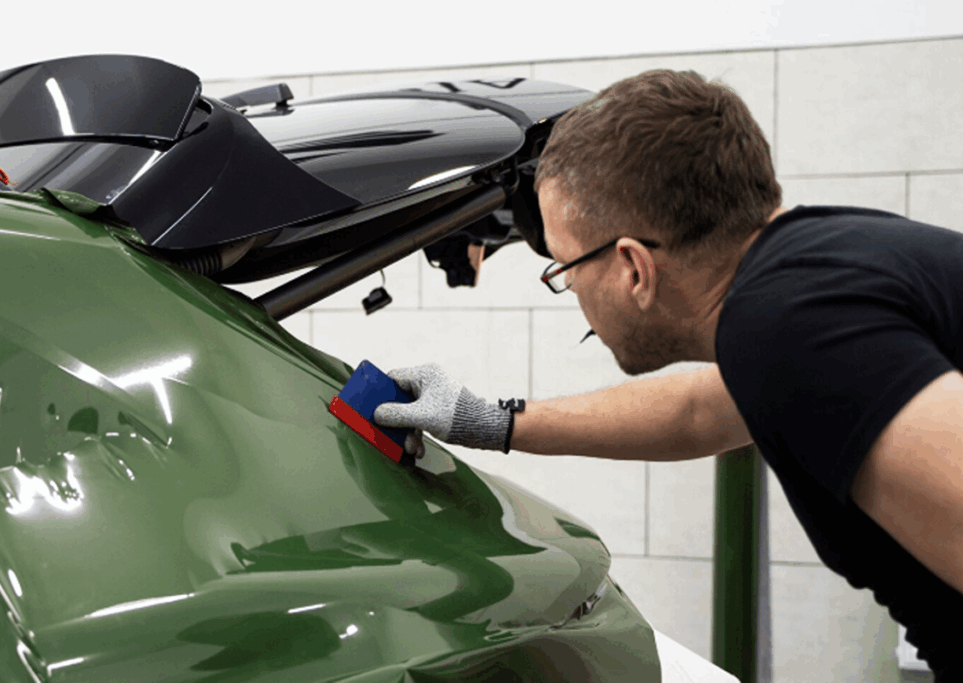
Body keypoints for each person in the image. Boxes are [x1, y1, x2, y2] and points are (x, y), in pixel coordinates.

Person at [373, 69, 963, 679]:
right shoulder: (810, 266)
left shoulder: (793, 329)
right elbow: (700, 410)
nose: (571, 287)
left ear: (633, 267)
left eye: (566, 268)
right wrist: (487, 420)